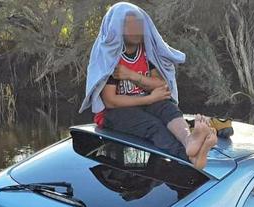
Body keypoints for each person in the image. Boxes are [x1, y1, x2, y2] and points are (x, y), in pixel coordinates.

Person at [78, 2, 217, 169]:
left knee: (167, 107)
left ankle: (189, 140)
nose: (136, 30)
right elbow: (110, 101)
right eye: (129, 25)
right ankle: (190, 160)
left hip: (143, 102)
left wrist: (132, 76)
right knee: (154, 126)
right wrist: (150, 97)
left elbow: (161, 85)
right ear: (117, 28)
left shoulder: (145, 52)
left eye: (139, 24)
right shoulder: (111, 56)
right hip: (114, 114)